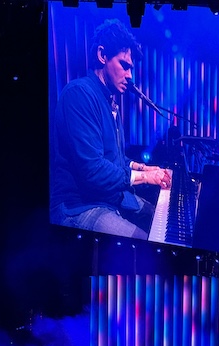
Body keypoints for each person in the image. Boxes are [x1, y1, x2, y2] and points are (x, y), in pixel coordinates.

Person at [51, 18, 171, 240]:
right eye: (124, 66)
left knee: (160, 220)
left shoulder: (109, 102)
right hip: (79, 206)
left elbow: (114, 159)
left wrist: (145, 168)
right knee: (144, 241)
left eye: (131, 69)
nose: (129, 76)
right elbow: (93, 171)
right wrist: (146, 178)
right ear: (102, 55)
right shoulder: (78, 95)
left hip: (107, 198)